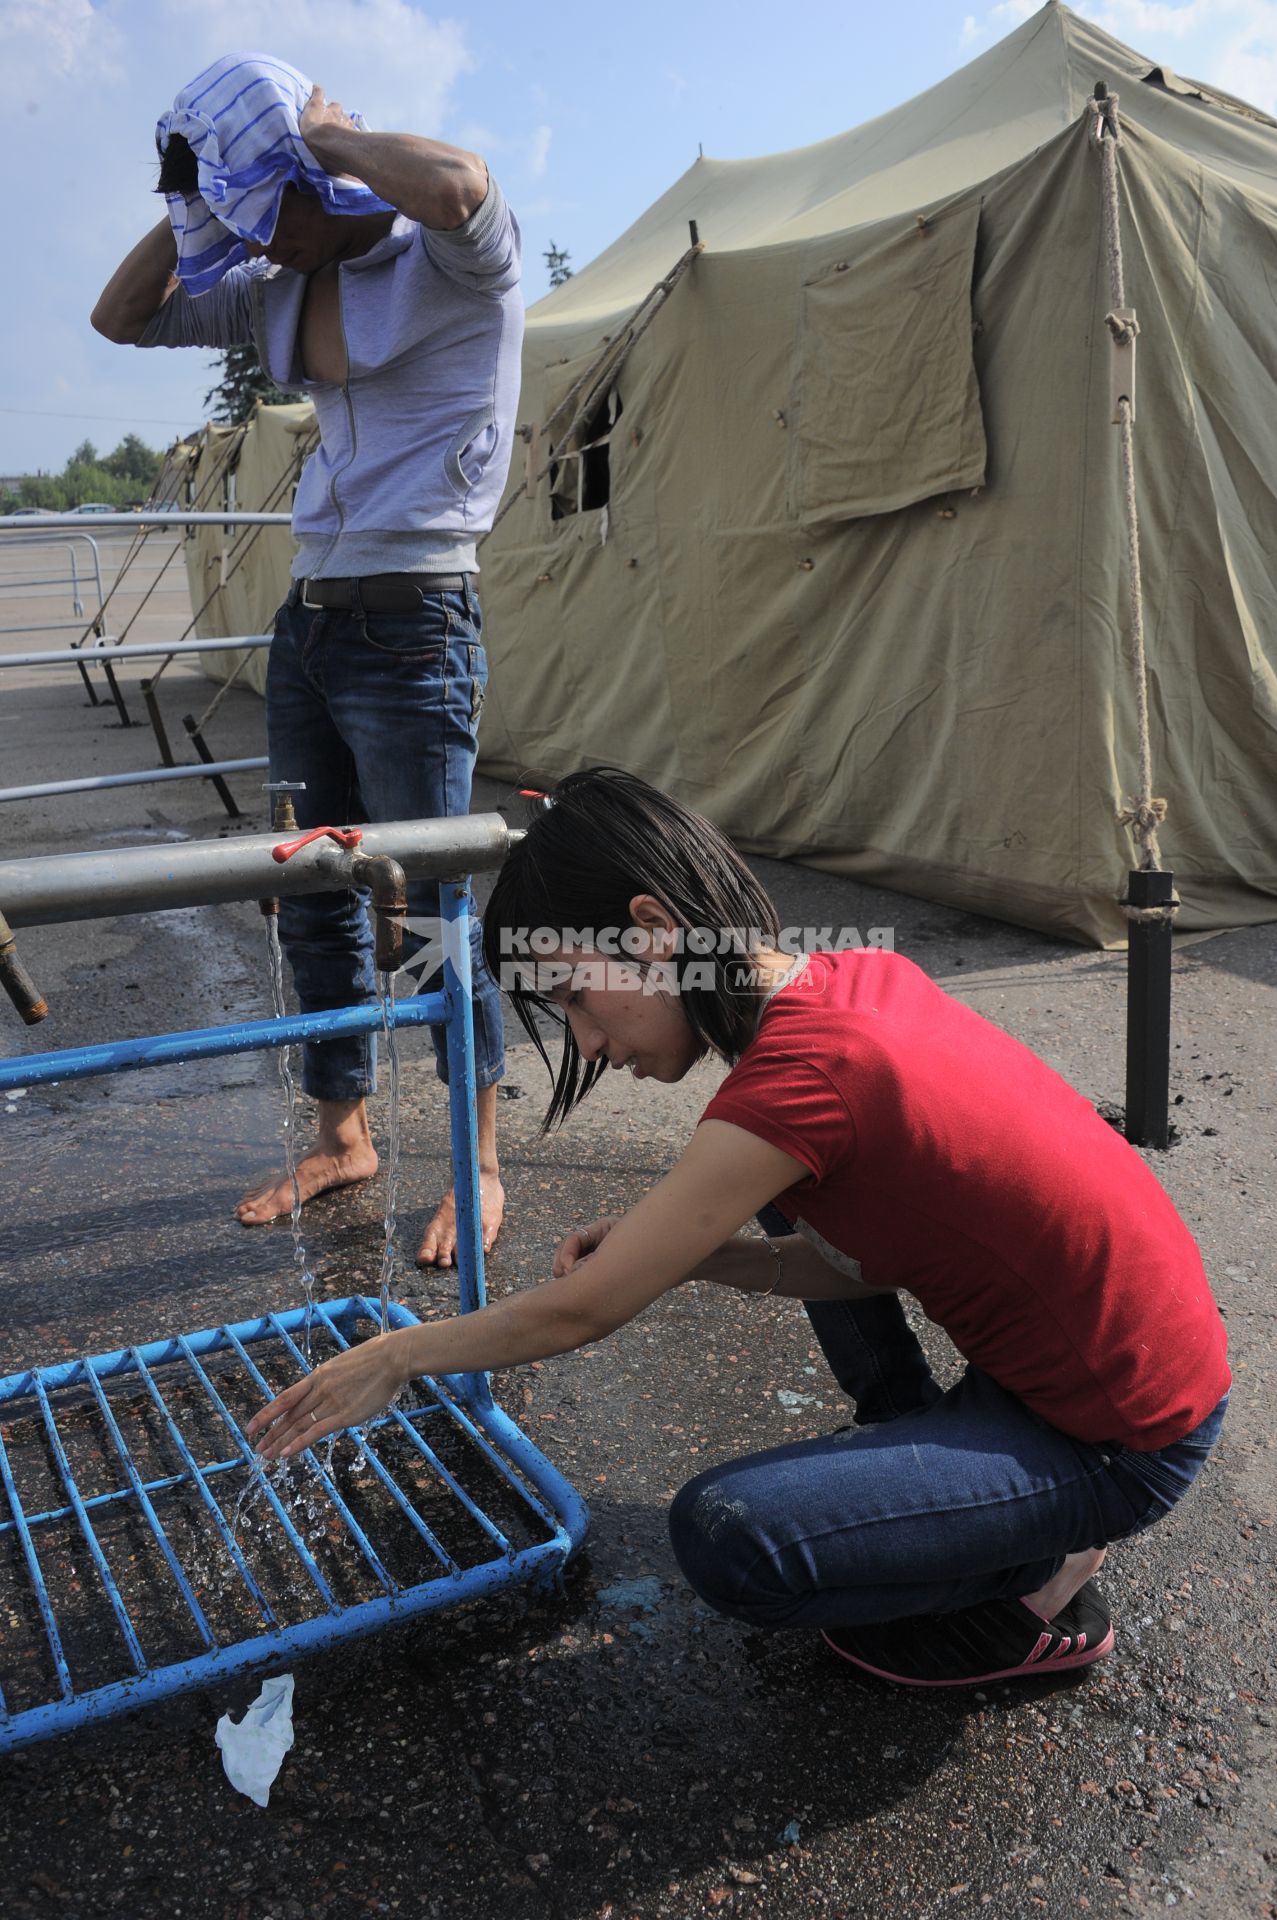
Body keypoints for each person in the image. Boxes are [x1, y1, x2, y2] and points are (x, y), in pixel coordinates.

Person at [250, 768, 1230, 1688]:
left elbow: (578, 1313)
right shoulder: (844, 985)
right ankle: (931, 1461)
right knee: (762, 1187)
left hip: (1115, 1439)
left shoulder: (801, 1085)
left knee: (733, 1539)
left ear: (650, 931)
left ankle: (1031, 1587)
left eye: (575, 999)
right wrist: (703, 1259)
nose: (587, 1042)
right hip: (1104, 1374)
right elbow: (864, 1255)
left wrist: (395, 1356)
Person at [90, 52, 520, 1267]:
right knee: (313, 893)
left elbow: (457, 185)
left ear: (314, 178)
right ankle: (344, 1135)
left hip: (417, 617)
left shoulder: (449, 260)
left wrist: (322, 140)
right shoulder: (273, 282)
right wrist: (190, 196)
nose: (247, 239)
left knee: (434, 907)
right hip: (314, 623)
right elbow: (120, 317)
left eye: (256, 208)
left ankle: (476, 1164)